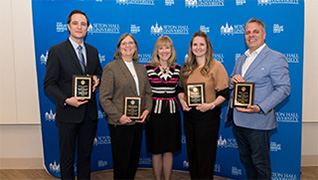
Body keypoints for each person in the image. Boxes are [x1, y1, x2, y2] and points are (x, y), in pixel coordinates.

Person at [227, 18, 291, 179]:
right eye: (247, 32)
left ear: (264, 34)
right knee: (247, 162)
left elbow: (284, 88)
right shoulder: (241, 59)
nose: (251, 35)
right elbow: (232, 83)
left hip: (258, 122)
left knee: (260, 165)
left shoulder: (276, 57)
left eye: (255, 31)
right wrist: (232, 80)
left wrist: (260, 107)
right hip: (239, 120)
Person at [43, 10, 102, 180]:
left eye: (83, 24)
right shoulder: (57, 50)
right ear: (68, 26)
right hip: (68, 113)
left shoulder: (93, 51)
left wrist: (97, 78)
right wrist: (67, 100)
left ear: (87, 28)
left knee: (85, 157)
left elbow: (99, 73)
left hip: (89, 115)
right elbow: (49, 84)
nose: (79, 27)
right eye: (75, 23)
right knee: (67, 158)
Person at [99, 33, 153, 179]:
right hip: (120, 124)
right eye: (124, 43)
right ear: (119, 48)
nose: (127, 46)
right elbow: (104, 98)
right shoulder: (111, 68)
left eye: (130, 43)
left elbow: (148, 93)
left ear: (135, 47)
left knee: (133, 161)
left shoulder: (141, 68)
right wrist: (119, 117)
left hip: (137, 123)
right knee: (121, 163)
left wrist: (147, 110)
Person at [177, 31, 229, 179]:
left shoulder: (216, 66)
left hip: (208, 118)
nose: (198, 47)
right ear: (191, 47)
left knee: (205, 157)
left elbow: (225, 94)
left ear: (207, 47)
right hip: (189, 117)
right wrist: (182, 100)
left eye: (201, 44)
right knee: (193, 155)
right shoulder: (187, 67)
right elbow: (180, 89)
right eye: (195, 44)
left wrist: (211, 105)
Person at [145, 36, 182, 180]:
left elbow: (182, 90)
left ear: (172, 50)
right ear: (157, 51)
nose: (164, 51)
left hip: (172, 114)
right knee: (156, 150)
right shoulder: (147, 68)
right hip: (154, 114)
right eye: (161, 48)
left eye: (167, 47)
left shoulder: (178, 68)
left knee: (169, 150)